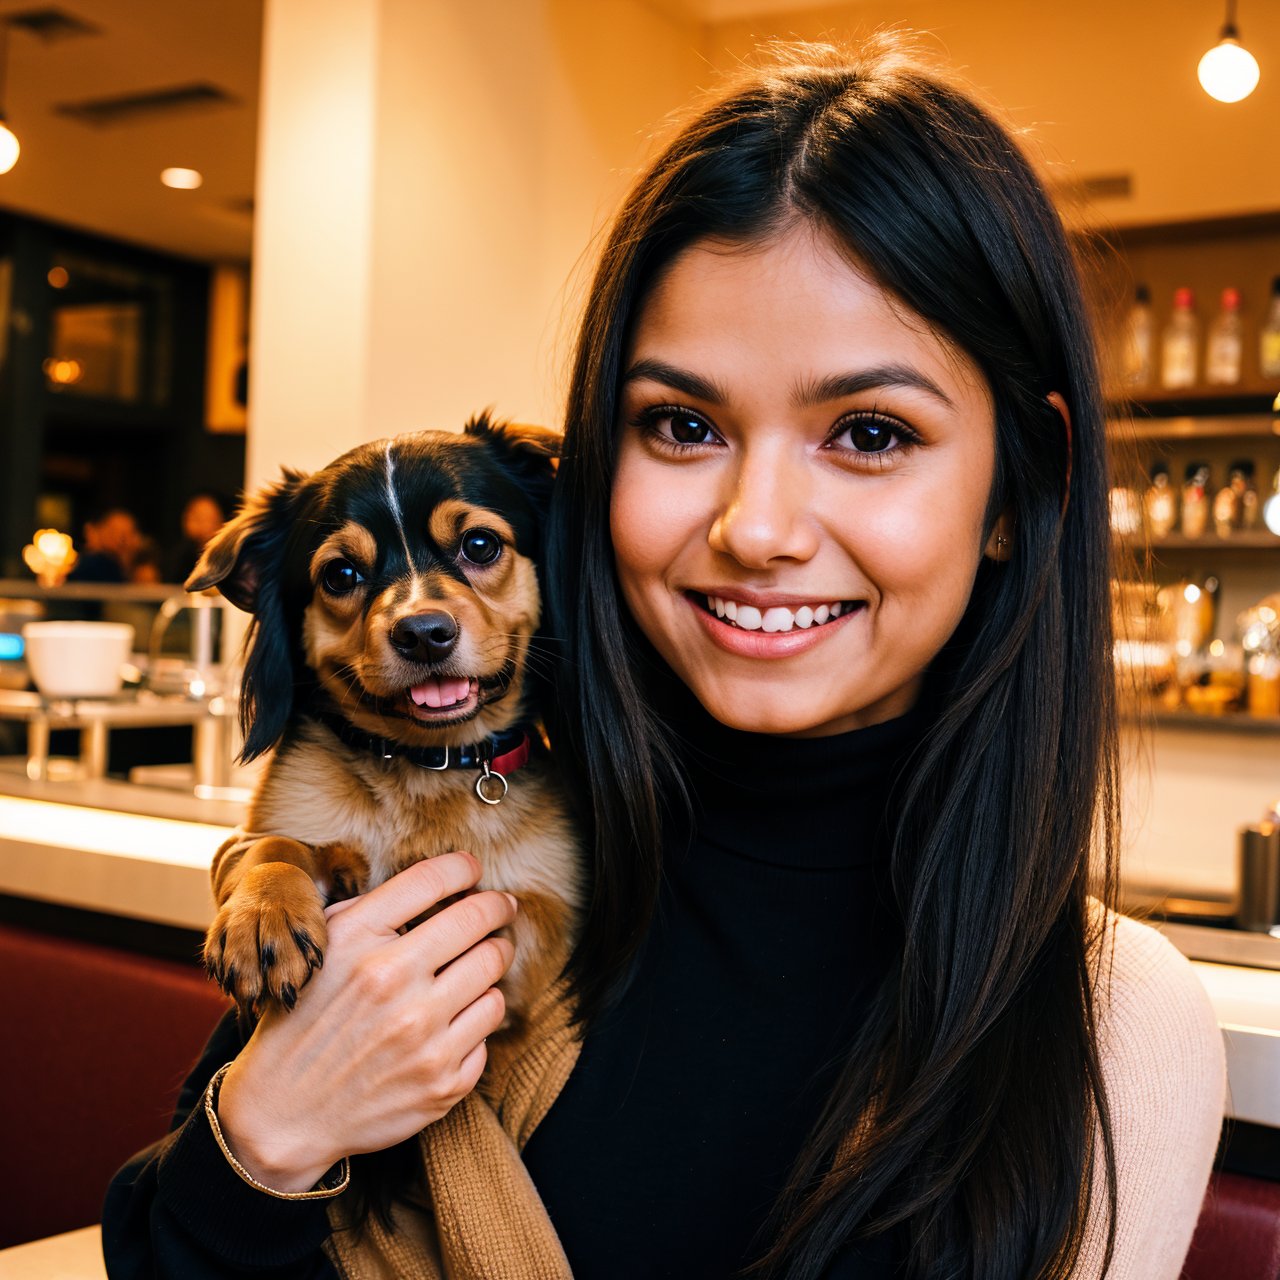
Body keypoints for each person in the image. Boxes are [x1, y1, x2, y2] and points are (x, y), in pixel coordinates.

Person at [101, 39, 1225, 1279]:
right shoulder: (459, 847)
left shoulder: (1121, 1024)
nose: (755, 528)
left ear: (1024, 481)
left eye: (867, 431)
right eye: (681, 424)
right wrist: (270, 1128)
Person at [66, 507, 142, 583]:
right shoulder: (97, 565)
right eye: (114, 532)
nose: (121, 540)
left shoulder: (132, 567)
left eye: (128, 533)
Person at [165, 493, 228, 583]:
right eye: (198, 519)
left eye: (210, 519)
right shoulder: (179, 557)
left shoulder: (226, 557)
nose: (205, 526)